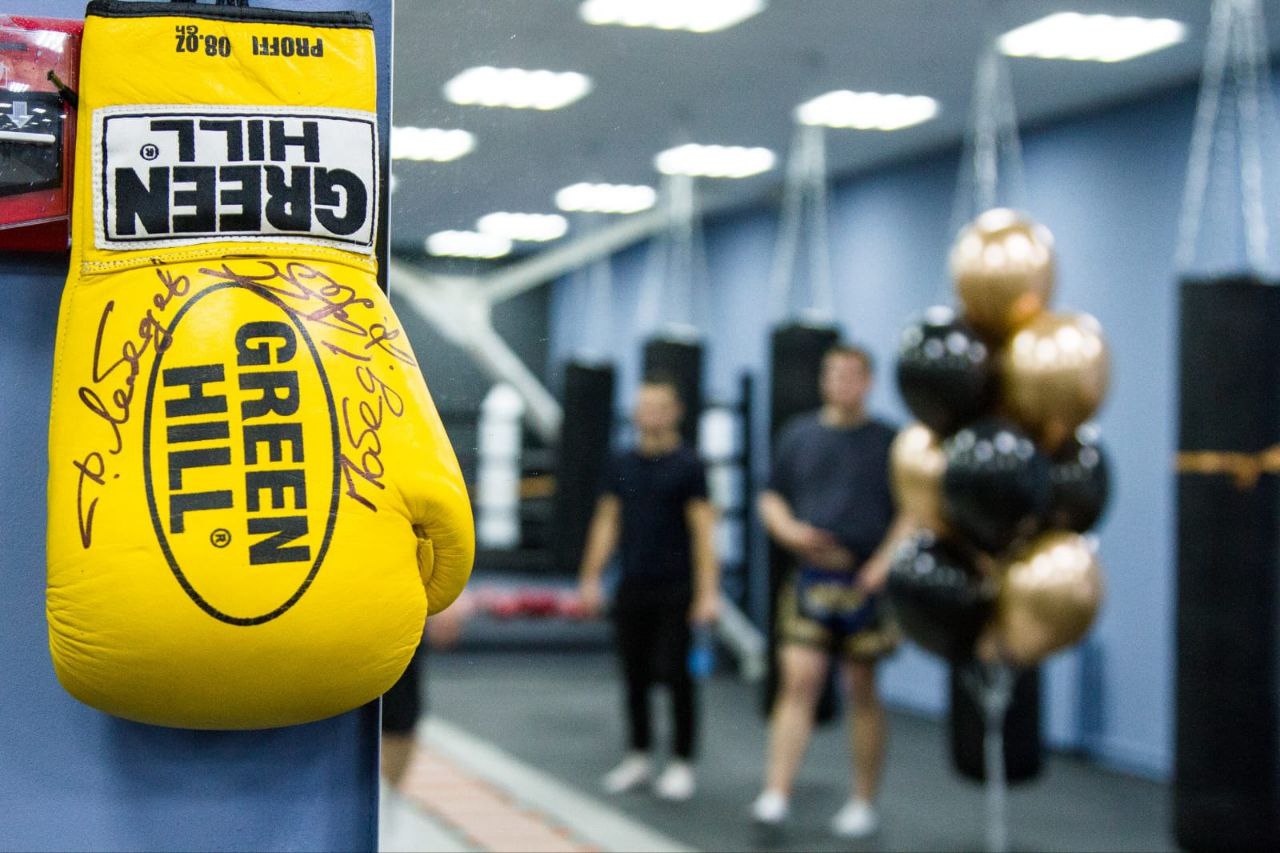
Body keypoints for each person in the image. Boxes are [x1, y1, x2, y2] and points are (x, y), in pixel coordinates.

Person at [751, 344, 913, 838]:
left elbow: (914, 511)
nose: (841, 382)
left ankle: (863, 801)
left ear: (868, 382)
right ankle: (776, 793)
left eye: (851, 375)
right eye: (833, 374)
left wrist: (884, 563)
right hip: (811, 578)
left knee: (862, 688)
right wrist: (789, 531)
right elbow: (771, 497)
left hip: (864, 580)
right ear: (823, 380)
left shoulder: (891, 442)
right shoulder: (798, 435)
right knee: (798, 683)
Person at [578, 378, 720, 801]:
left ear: (676, 411)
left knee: (676, 673)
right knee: (634, 674)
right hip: (633, 584)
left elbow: (704, 532)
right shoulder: (621, 462)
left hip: (677, 587)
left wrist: (708, 593)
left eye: (660, 405)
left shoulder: (690, 465)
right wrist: (591, 577)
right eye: (644, 405)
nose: (651, 413)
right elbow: (607, 521)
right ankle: (638, 756)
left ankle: (681, 761)